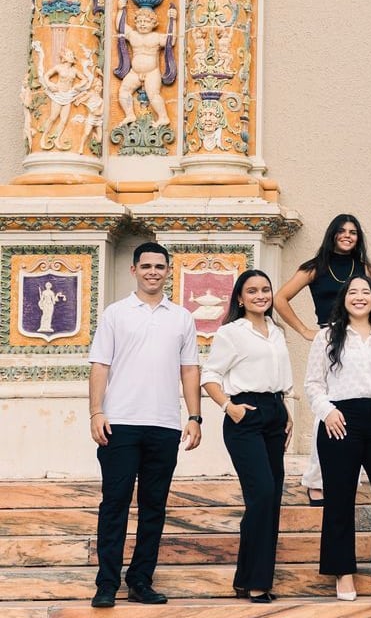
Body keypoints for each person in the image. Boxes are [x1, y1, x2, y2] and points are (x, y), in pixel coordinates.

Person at [87, 242, 202, 608]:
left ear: (169, 271)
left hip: (164, 425)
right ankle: (106, 584)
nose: (153, 271)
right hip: (119, 423)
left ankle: (140, 580)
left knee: (154, 507)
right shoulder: (115, 314)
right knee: (115, 505)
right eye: (147, 266)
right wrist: (95, 412)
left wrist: (195, 417)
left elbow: (189, 370)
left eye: (160, 266)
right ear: (134, 270)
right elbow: (100, 365)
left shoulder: (181, 317)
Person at [304, 276, 371, 601]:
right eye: (353, 292)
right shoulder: (328, 335)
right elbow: (313, 383)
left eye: (366, 292)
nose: (360, 297)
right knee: (339, 499)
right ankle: (343, 573)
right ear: (344, 298)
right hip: (341, 420)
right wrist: (327, 411)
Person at [276, 213, 371, 506]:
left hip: (361, 337)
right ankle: (317, 481)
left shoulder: (364, 268)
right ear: (332, 234)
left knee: (352, 409)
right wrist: (305, 329)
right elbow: (280, 298)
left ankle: (342, 477)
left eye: (353, 232)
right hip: (330, 338)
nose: (347, 236)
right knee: (326, 410)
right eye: (342, 231)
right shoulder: (314, 268)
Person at [200, 270, 293, 603]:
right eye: (252, 291)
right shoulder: (231, 333)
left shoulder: (277, 332)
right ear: (240, 298)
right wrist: (229, 406)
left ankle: (247, 579)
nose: (260, 296)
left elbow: (279, 377)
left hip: (275, 413)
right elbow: (210, 376)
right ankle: (256, 582)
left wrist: (286, 412)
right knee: (262, 495)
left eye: (265, 290)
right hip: (245, 416)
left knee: (271, 499)